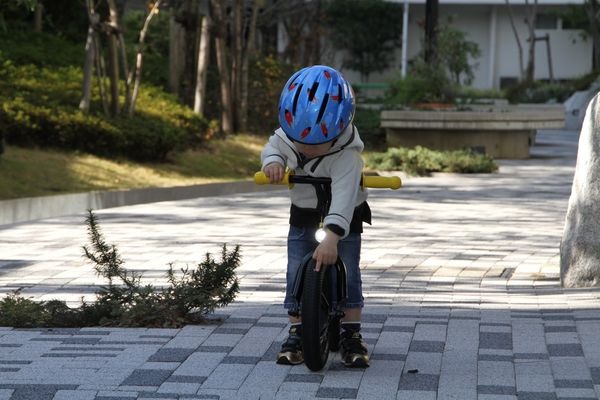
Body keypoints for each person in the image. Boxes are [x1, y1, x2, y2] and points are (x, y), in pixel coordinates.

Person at [261, 65, 371, 368]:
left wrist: (333, 238)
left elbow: (345, 197)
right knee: (296, 266)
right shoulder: (291, 134)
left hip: (344, 219)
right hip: (304, 214)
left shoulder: (348, 156)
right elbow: (274, 146)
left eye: (314, 144)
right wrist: (273, 161)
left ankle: (352, 333)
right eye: (299, 142)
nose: (305, 148)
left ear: (337, 130)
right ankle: (297, 329)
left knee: (349, 269)